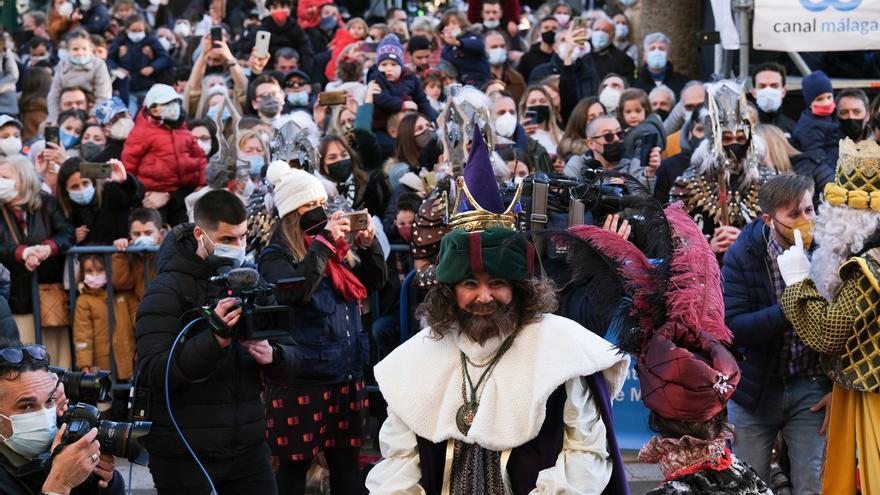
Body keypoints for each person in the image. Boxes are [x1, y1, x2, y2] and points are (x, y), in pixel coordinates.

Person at [365, 128, 629, 493]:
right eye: (470, 284)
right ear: (450, 290)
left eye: (498, 284)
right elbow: (399, 462)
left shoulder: (560, 349)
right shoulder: (415, 359)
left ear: (519, 288)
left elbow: (586, 452)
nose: (484, 297)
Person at [135, 189, 302, 494]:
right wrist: (214, 340)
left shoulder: (251, 281)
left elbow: (292, 357)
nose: (238, 246)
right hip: (185, 453)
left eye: (242, 237)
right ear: (201, 234)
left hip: (248, 448)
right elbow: (153, 371)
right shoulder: (166, 290)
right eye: (227, 240)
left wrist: (273, 355)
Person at [258, 162, 386, 494]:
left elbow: (374, 281)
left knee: (346, 469)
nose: (319, 211)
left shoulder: (335, 248)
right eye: (310, 206)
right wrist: (325, 244)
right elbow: (295, 291)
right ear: (290, 212)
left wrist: (368, 245)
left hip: (345, 373)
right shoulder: (276, 254)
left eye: (320, 204)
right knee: (292, 471)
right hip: (301, 380)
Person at [779, 138, 880, 494]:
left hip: (873, 401)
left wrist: (796, 284)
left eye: (833, 210)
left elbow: (827, 332)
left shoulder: (867, 268)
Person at [722, 175, 829, 493]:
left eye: (810, 210)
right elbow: (734, 328)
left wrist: (838, 387)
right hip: (758, 388)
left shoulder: (827, 249)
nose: (806, 221)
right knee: (750, 484)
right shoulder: (743, 255)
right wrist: (789, 307)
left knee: (811, 482)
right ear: (769, 220)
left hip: (811, 386)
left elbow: (846, 327)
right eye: (794, 215)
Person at [0, 338, 125, 494]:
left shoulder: (62, 444)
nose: (44, 415)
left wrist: (100, 480)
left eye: (49, 400)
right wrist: (59, 485)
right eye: (26, 406)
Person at [671, 80, 774, 256]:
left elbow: (782, 233)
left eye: (740, 139)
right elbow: (676, 240)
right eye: (726, 139)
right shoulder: (688, 184)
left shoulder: (769, 181)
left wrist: (746, 239)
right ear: (714, 140)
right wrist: (708, 247)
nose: (734, 145)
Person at [0, 156, 75, 368]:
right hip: (15, 296)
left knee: (55, 356)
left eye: (5, 176)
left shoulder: (47, 203)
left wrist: (47, 248)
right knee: (21, 357)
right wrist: (22, 253)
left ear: (23, 178)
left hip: (47, 293)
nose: (0, 181)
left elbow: (67, 233)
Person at [122, 84, 206, 226]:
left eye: (175, 102)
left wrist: (201, 184)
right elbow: (129, 166)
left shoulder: (184, 131)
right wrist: (140, 195)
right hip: (150, 197)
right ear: (153, 109)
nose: (173, 107)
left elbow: (200, 159)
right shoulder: (141, 132)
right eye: (167, 104)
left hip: (181, 194)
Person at [73, 253, 137, 380]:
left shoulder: (124, 296)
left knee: (128, 394)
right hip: (101, 363)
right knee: (106, 396)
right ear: (82, 274)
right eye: (89, 271)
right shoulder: (84, 300)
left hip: (127, 359)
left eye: (100, 270)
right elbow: (82, 335)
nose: (95, 275)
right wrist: (85, 364)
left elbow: (137, 321)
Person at [56, 158, 143, 245]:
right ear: (65, 190)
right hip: (88, 258)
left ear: (93, 182)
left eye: (85, 183)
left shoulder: (111, 192)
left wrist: (125, 181)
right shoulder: (62, 212)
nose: (82, 189)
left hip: (119, 256)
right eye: (74, 186)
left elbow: (137, 196)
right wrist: (71, 237)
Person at [369, 34, 438, 133]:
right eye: (384, 64)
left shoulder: (410, 78)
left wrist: (430, 119)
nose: (389, 69)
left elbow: (422, 100)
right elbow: (381, 98)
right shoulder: (376, 78)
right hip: (383, 126)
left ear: (401, 66)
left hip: (410, 124)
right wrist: (403, 105)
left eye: (393, 64)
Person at [754, 124, 833, 208]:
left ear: (771, 147)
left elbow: (837, 196)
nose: (757, 157)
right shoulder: (758, 177)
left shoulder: (810, 165)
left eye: (759, 150)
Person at [46, 28, 111, 123]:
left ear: (90, 49)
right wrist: (55, 117)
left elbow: (104, 95)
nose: (80, 53)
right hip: (65, 111)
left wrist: (93, 116)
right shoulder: (62, 65)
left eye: (84, 49)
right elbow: (54, 95)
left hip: (91, 112)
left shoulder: (99, 64)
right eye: (75, 49)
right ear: (68, 50)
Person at [111, 207, 164, 303]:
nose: (142, 238)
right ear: (130, 235)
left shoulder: (172, 250)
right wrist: (120, 253)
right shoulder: (128, 253)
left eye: (148, 233)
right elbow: (120, 284)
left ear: (160, 233)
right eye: (137, 234)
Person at [791, 70, 843, 168]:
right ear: (810, 103)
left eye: (829, 97)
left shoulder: (832, 116)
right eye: (819, 99)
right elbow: (817, 156)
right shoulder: (809, 125)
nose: (826, 103)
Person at [438, 9, 491, 88]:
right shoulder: (446, 48)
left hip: (480, 83)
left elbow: (477, 45)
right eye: (446, 24)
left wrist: (458, 43)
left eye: (454, 23)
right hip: (460, 85)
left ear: (462, 23)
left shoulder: (472, 36)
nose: (450, 27)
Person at [633, 32, 687, 98]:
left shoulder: (682, 82)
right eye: (652, 49)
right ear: (645, 56)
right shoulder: (635, 84)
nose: (657, 52)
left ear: (669, 56)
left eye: (661, 49)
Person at [584, 16, 635, 85]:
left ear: (613, 36)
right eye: (597, 30)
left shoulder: (624, 60)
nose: (600, 33)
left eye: (605, 31)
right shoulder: (583, 56)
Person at [750, 62, 796, 137]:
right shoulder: (745, 128)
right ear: (754, 93)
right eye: (762, 86)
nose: (768, 90)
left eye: (774, 86)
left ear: (783, 92)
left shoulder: (793, 129)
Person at [484, 30, 526, 104]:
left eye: (502, 46)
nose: (499, 50)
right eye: (494, 47)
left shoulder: (517, 79)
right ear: (484, 50)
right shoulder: (479, 79)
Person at [516, 16, 557, 83]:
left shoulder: (560, 58)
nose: (550, 30)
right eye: (546, 28)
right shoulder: (527, 58)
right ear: (539, 32)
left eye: (554, 28)